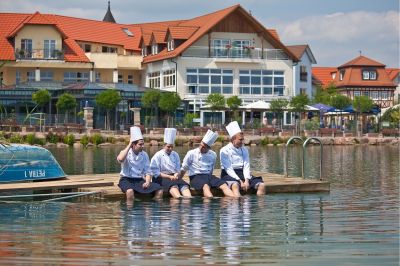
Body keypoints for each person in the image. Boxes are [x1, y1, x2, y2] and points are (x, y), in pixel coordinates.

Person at [178, 129, 235, 198]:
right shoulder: (191, 153)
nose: (201, 148)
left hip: (208, 176)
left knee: (224, 185)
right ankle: (208, 205)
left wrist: (211, 180)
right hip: (195, 176)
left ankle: (235, 201)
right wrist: (178, 180)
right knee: (206, 186)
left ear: (209, 148)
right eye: (200, 145)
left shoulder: (213, 154)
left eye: (204, 147)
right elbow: (184, 168)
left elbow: (211, 169)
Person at [117, 126, 163, 202]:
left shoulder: (144, 155)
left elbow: (148, 171)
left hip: (139, 180)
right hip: (126, 179)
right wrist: (129, 145)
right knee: (130, 191)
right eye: (140, 144)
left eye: (143, 144)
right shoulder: (125, 152)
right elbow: (120, 159)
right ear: (133, 145)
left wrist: (148, 182)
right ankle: (130, 212)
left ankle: (152, 205)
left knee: (160, 190)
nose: (143, 146)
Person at [220, 121, 265, 197]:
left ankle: (258, 208)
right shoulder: (224, 150)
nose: (242, 142)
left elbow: (246, 165)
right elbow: (229, 169)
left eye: (243, 139)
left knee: (262, 185)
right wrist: (240, 181)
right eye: (240, 140)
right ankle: (236, 207)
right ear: (233, 139)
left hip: (242, 173)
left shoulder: (244, 149)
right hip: (228, 174)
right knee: (236, 185)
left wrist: (246, 180)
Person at [150, 128, 192, 198]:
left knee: (184, 186)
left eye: (172, 147)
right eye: (168, 147)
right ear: (164, 146)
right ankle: (178, 198)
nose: (170, 149)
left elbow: (177, 169)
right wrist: (169, 176)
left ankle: (188, 200)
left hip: (173, 177)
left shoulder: (175, 154)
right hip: (161, 177)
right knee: (174, 186)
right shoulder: (158, 155)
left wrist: (176, 174)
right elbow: (155, 172)